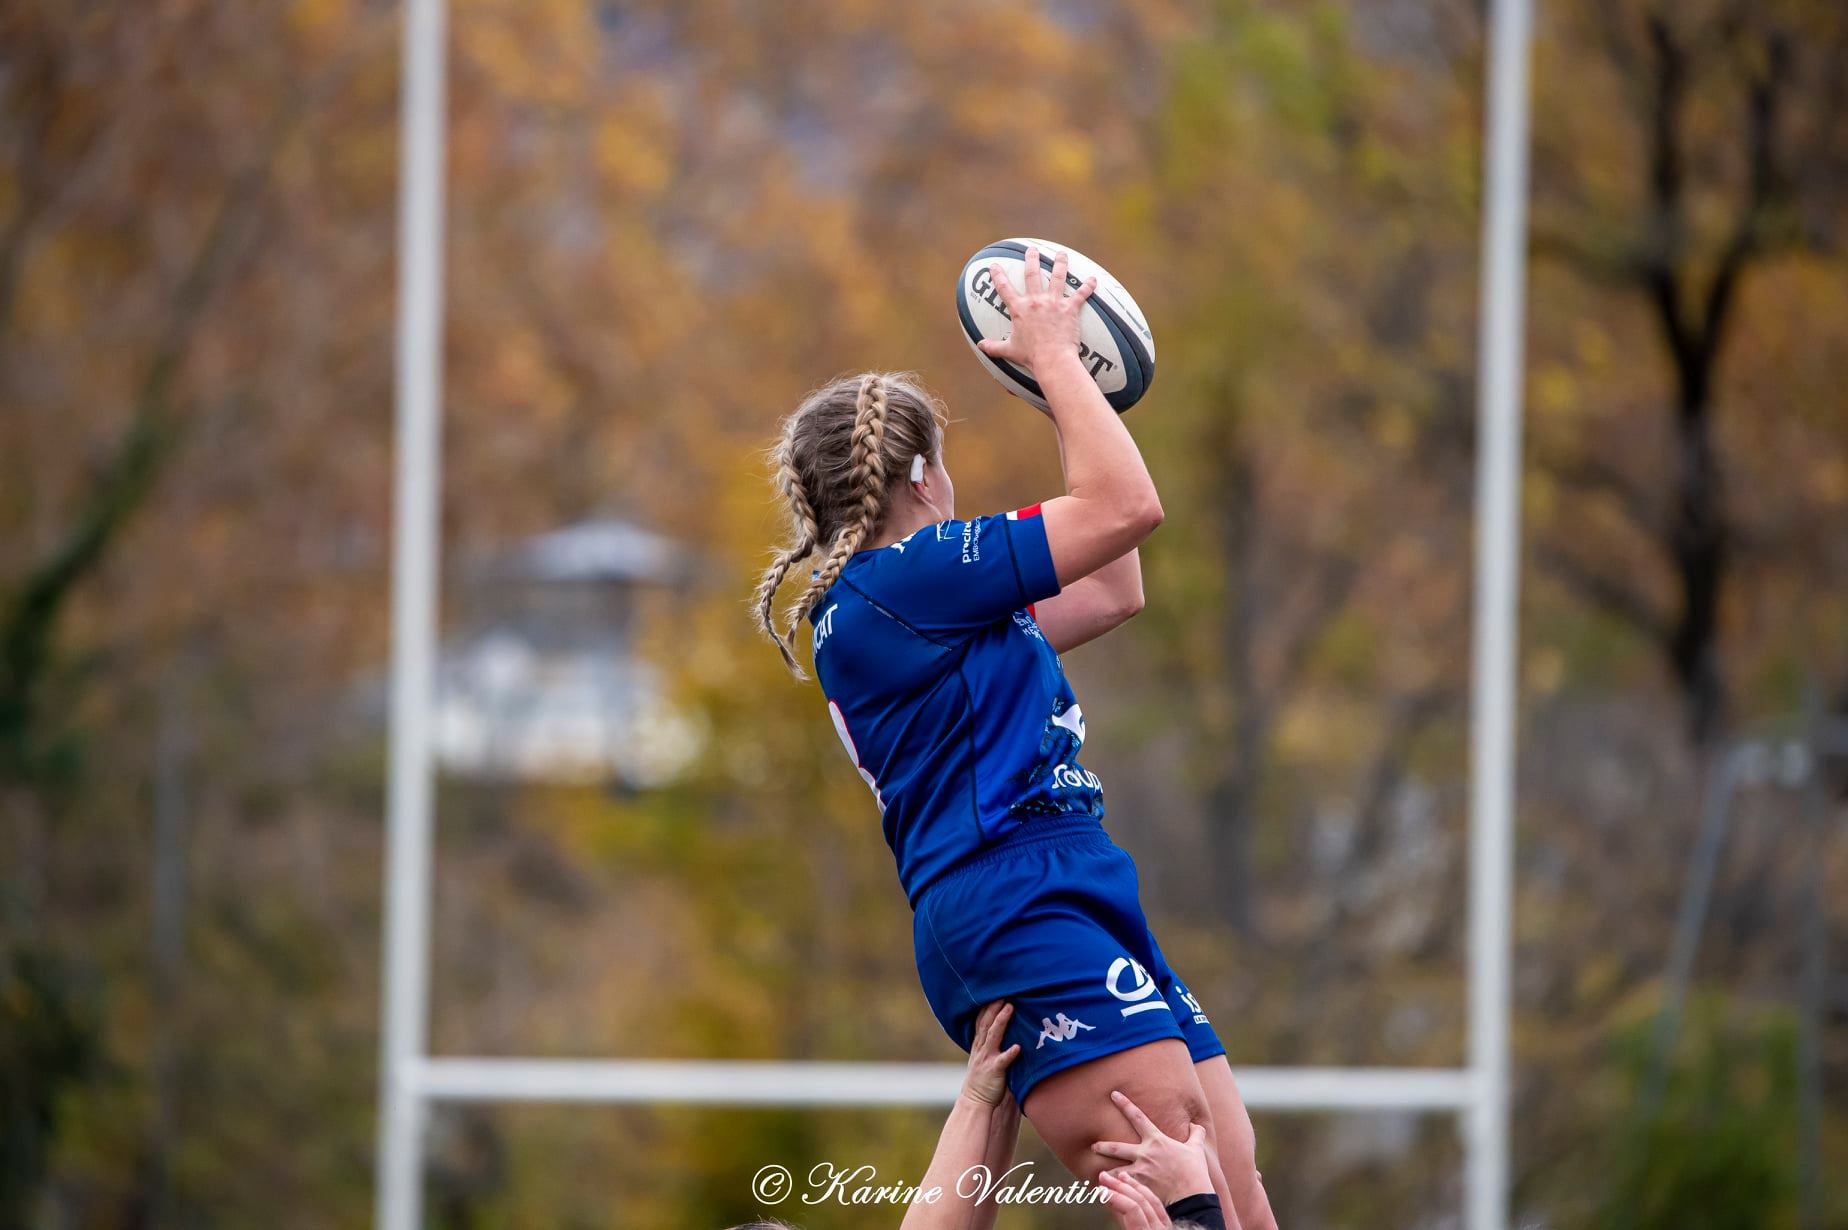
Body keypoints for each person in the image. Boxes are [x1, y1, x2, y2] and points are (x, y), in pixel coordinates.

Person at [752, 245, 1277, 1230]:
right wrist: (1058, 362)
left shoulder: (919, 612)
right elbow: (1129, 506)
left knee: (1236, 1189)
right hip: (1016, 897)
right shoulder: (908, 582)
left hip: (1065, 879)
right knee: (1188, 1183)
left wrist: (1062, 387)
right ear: (924, 475)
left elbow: (1117, 580)